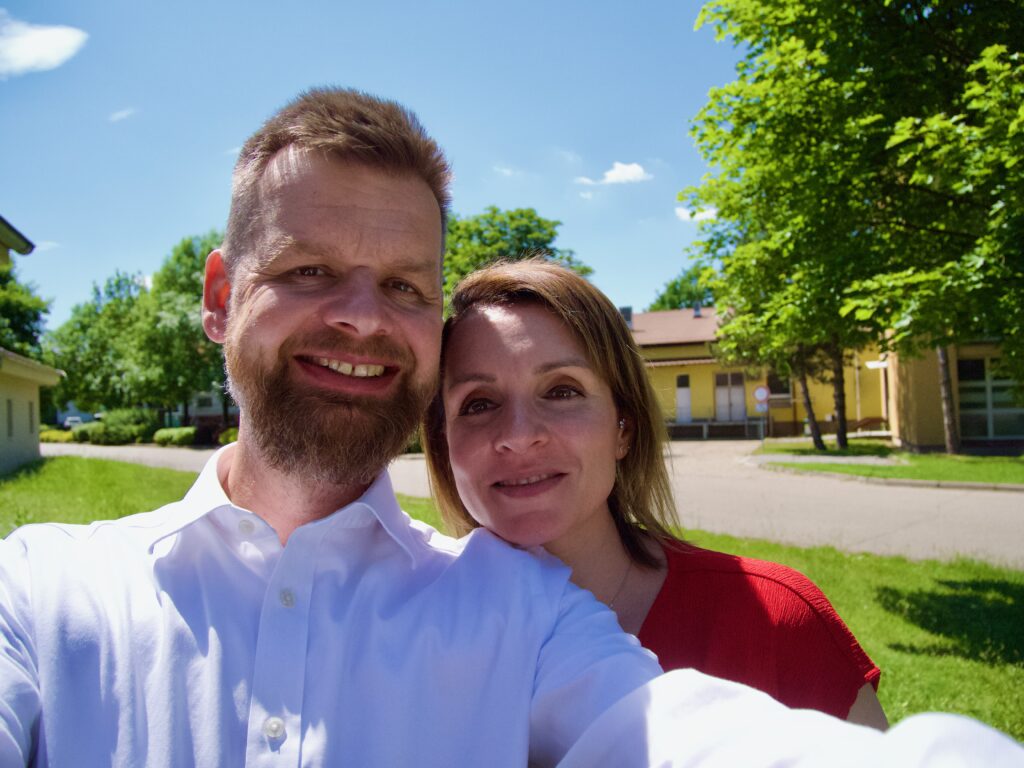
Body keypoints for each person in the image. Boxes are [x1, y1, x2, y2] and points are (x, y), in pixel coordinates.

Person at [2, 88, 1021, 768]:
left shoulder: (522, 611)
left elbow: (674, 732)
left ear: (627, 424)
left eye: (405, 286)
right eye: (309, 270)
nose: (360, 317)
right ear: (222, 297)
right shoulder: (39, 594)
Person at [423, 259, 887, 727]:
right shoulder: (408, 637)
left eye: (562, 391)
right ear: (444, 443)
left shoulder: (776, 620)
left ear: (623, 428)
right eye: (479, 403)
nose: (519, 436)